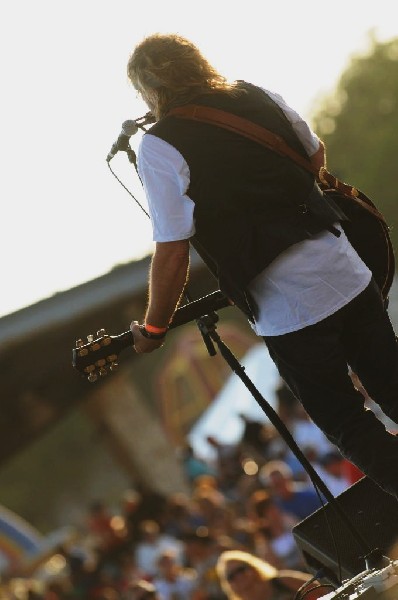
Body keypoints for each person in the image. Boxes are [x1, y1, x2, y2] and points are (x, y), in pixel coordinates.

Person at [126, 33, 398, 500]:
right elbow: (314, 154)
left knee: (347, 421)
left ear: (149, 91)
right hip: (343, 270)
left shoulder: (159, 145)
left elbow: (172, 249)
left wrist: (153, 329)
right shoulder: (253, 93)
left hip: (289, 308)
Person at [215, 549, 328, 600]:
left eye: (240, 570)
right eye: (231, 576)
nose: (238, 577)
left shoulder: (282, 581)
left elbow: (324, 589)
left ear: (253, 568)